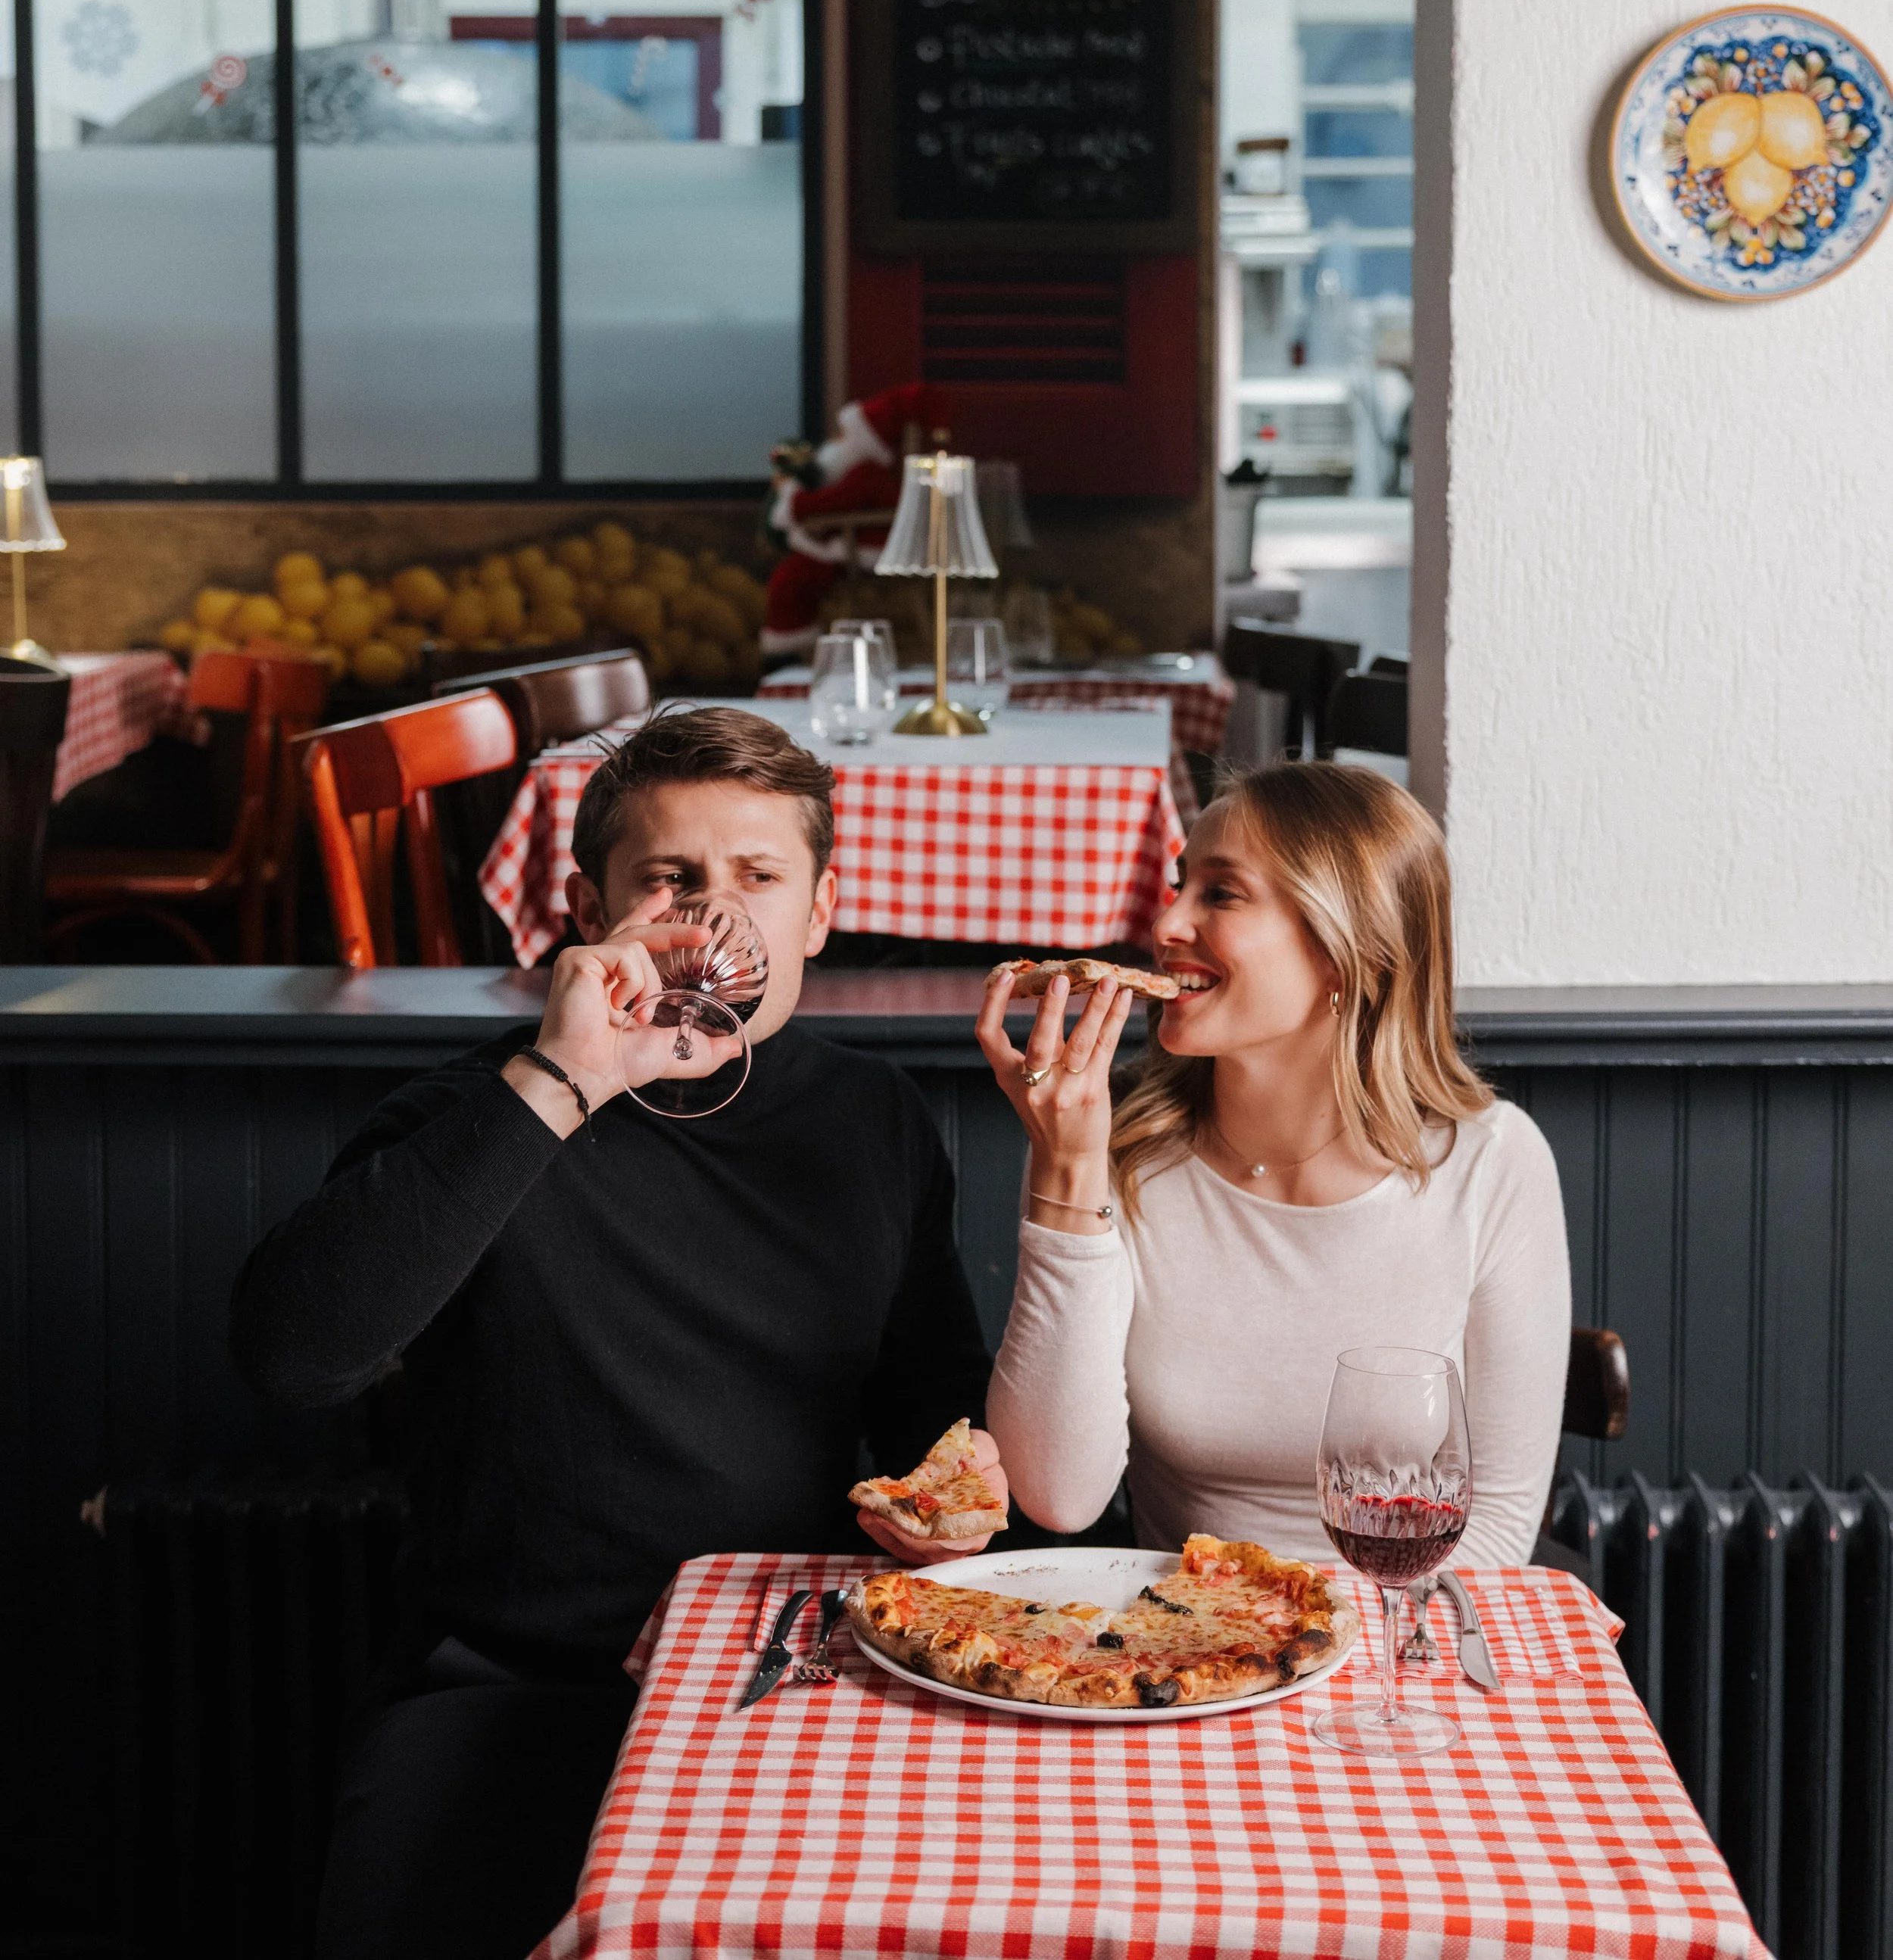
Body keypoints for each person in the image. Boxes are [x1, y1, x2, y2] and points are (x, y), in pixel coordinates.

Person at [230, 705, 1000, 1960]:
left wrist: (954, 1499)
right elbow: (290, 1356)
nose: (716, 920)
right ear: (592, 908)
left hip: (794, 1680)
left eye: (759, 879)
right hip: (510, 1691)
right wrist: (563, 1082)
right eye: (671, 880)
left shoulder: (873, 1119)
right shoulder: (481, 1114)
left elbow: (940, 1416)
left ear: (818, 913)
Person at [978, 759, 1570, 1574]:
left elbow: (1497, 1530)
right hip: (1180, 1660)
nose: (1168, 922)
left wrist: (1317, 1645)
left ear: (1344, 947)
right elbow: (1056, 1493)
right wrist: (1066, 1167)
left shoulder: (1493, 1164)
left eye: (1219, 893)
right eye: (1180, 884)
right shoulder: (1110, 1145)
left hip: (1402, 1645)